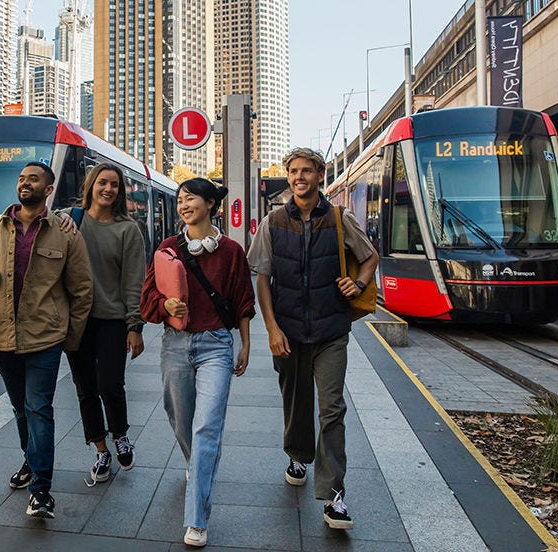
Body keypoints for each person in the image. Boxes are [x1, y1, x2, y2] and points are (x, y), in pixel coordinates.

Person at [247, 147, 379, 531]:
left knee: (332, 408)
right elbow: (262, 278)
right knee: (295, 399)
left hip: (330, 330)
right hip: (287, 329)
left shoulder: (340, 219)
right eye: (293, 171)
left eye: (306, 171)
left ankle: (334, 492)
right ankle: (298, 454)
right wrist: (271, 328)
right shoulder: (273, 221)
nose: (299, 177)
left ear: (320, 175)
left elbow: (370, 257)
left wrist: (358, 283)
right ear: (288, 177)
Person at [0, 161, 93, 520]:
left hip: (45, 340)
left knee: (39, 409)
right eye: (21, 178)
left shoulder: (65, 232)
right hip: (5, 338)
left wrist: (70, 337)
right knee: (21, 409)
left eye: (33, 179)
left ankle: (41, 490)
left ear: (48, 190)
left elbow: (82, 290)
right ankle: (31, 460)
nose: (25, 183)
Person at [140, 177, 255, 548]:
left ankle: (197, 518)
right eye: (181, 200)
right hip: (175, 344)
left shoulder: (232, 252)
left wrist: (245, 345)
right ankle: (197, 465)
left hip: (217, 347)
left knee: (208, 428)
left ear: (210, 204)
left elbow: (242, 302)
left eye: (191, 199)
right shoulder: (167, 248)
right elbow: (147, 300)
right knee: (180, 419)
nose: (184, 205)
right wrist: (165, 305)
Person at [63, 163, 145, 485]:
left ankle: (121, 435)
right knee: (85, 389)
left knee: (110, 384)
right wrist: (61, 218)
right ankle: (101, 450)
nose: (108, 189)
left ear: (120, 191)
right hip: (78, 320)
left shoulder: (128, 229)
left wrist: (134, 325)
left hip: (112, 319)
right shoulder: (71, 220)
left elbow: (133, 281)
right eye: (102, 182)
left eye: (114, 184)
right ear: (91, 185)